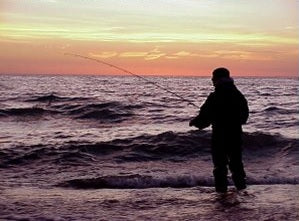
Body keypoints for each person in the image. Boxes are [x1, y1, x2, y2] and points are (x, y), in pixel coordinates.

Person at [189, 67, 249, 193]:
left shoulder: (215, 96)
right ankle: (242, 192)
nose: (211, 79)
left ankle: (221, 194)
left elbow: (204, 118)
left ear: (217, 79)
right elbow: (244, 116)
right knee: (237, 165)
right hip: (236, 134)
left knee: (220, 166)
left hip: (219, 136)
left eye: (213, 77)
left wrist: (194, 123)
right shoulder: (238, 95)